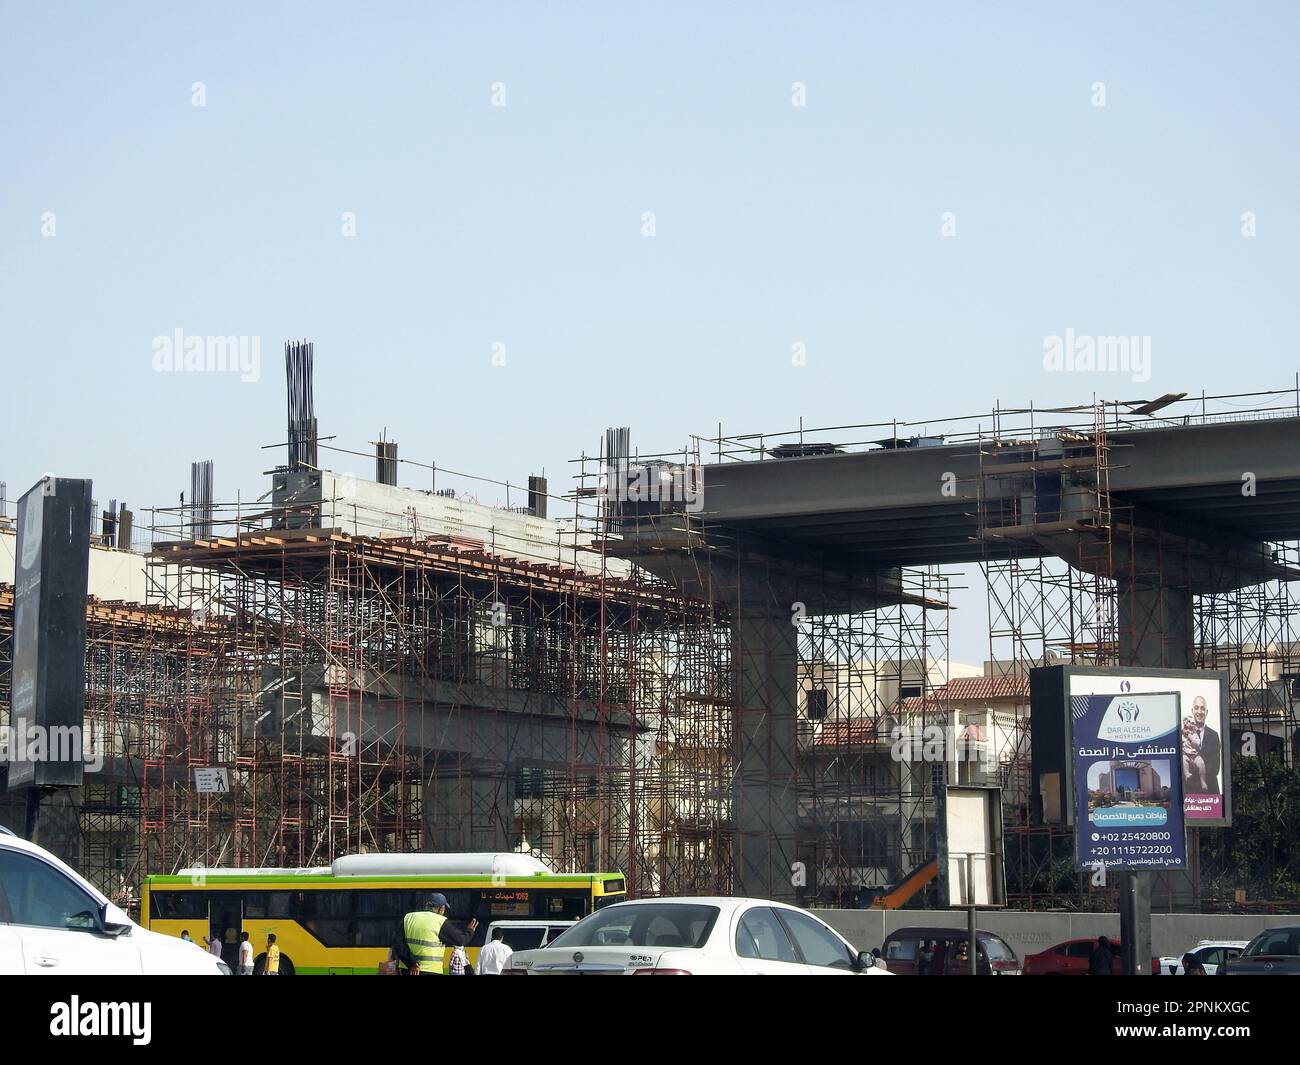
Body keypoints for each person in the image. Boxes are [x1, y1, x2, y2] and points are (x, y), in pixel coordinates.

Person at [395, 893, 478, 975]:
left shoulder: (408, 917)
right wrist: (470, 931)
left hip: (407, 969)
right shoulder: (440, 921)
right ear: (441, 908)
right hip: (431, 970)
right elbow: (460, 941)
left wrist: (412, 963)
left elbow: (398, 944)